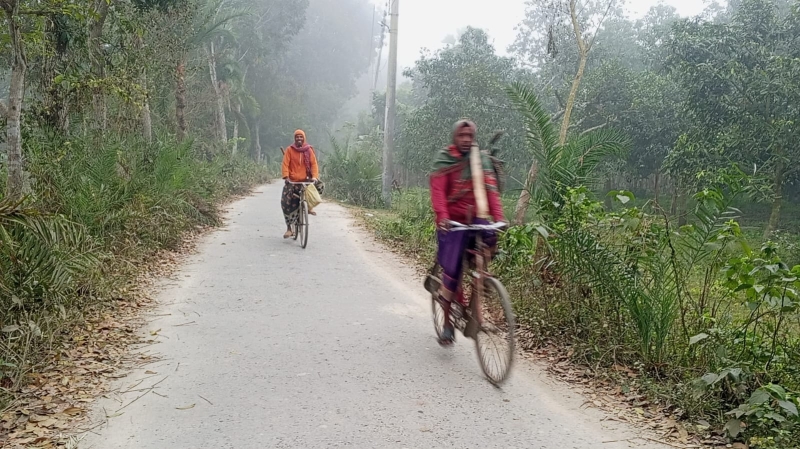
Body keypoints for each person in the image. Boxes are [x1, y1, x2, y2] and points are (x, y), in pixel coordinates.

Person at [429, 119, 505, 345]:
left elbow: (491, 190)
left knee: (491, 237)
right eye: (461, 136)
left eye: (469, 136)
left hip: (477, 219)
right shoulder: (445, 159)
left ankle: (480, 282)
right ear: (455, 137)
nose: (465, 140)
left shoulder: (480, 160)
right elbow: (438, 192)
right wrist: (442, 217)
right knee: (452, 272)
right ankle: (447, 324)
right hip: (452, 223)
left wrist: (499, 217)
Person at [281, 129, 324, 239]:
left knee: (320, 185)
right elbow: (285, 164)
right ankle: (289, 229)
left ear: (304, 138)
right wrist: (286, 177)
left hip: (306, 180)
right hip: (293, 180)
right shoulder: (289, 150)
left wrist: (314, 177)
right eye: (297, 137)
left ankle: (308, 207)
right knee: (286, 202)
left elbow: (314, 164)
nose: (299, 139)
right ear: (294, 138)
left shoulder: (309, 150)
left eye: (301, 137)